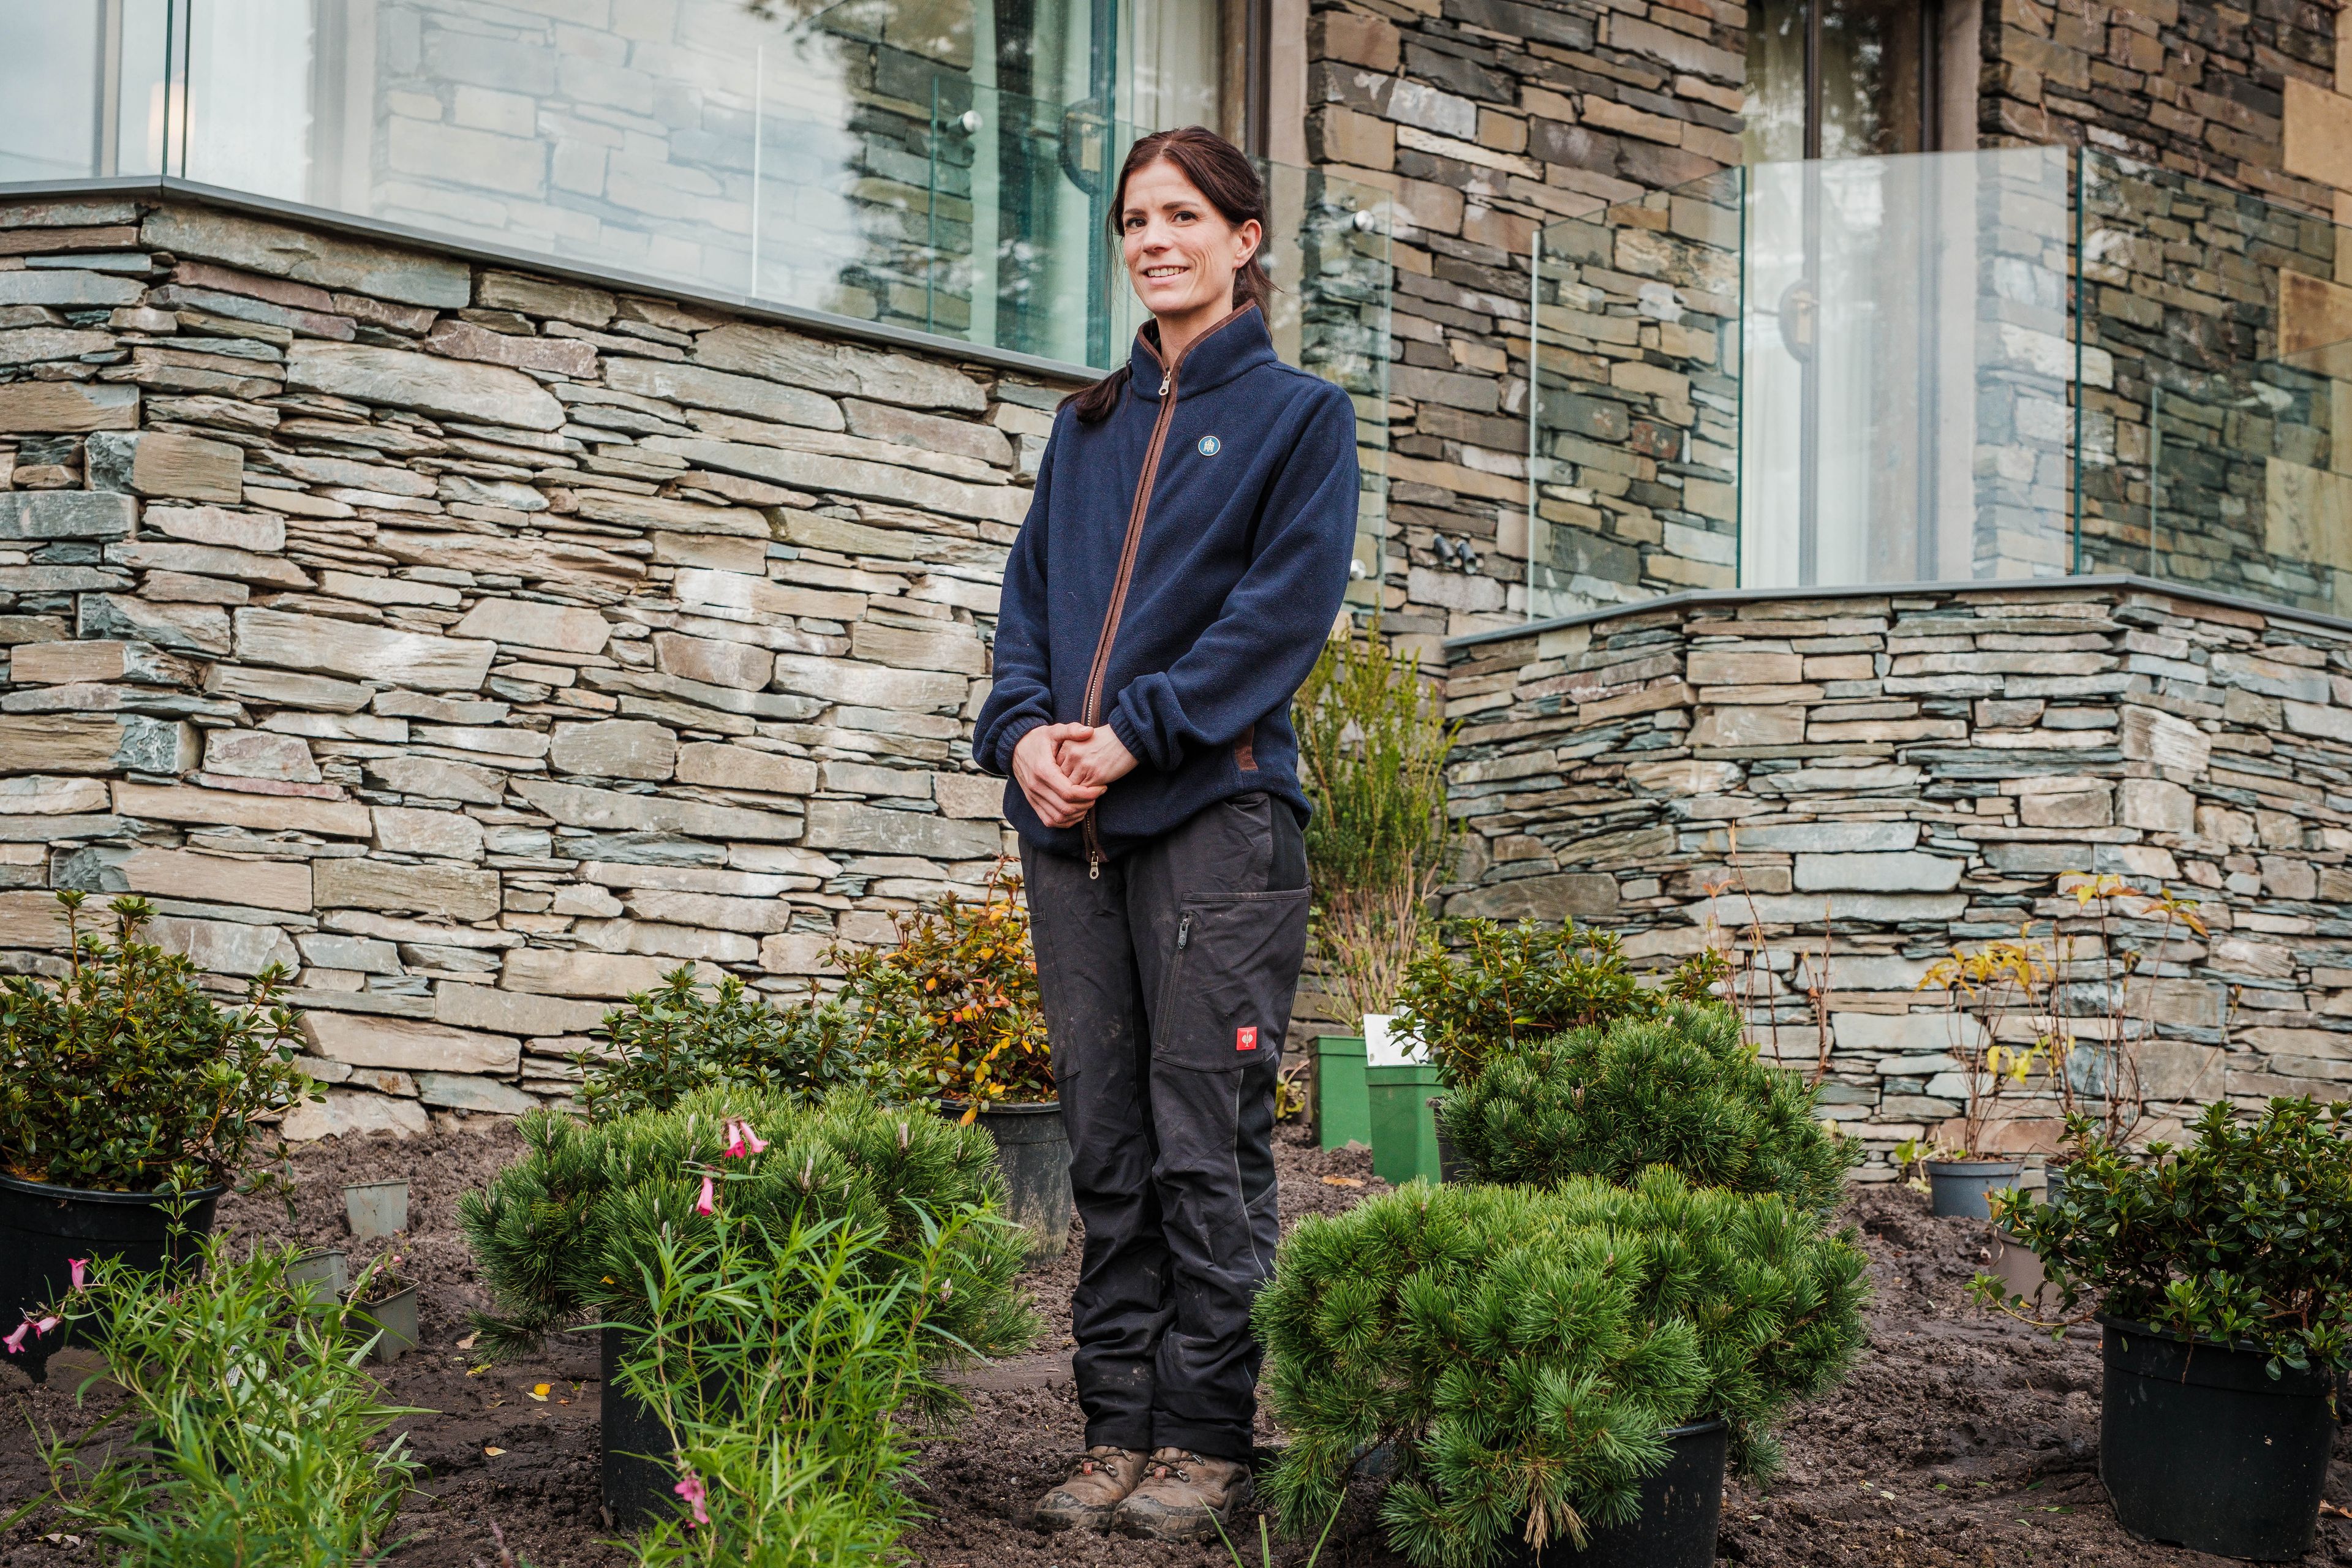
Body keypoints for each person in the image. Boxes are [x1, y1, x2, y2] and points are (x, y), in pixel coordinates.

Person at [973, 125, 1360, 1542]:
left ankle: (1203, 1436)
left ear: (1244, 238)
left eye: (1184, 214)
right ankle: (1113, 1426)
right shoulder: (1082, 435)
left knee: (1206, 1142)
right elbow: (1021, 620)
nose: (1154, 239)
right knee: (1107, 1145)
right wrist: (1025, 739)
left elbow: (1280, 617)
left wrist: (1132, 731)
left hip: (1215, 817)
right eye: (1136, 219)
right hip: (1071, 831)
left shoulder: (1300, 418)